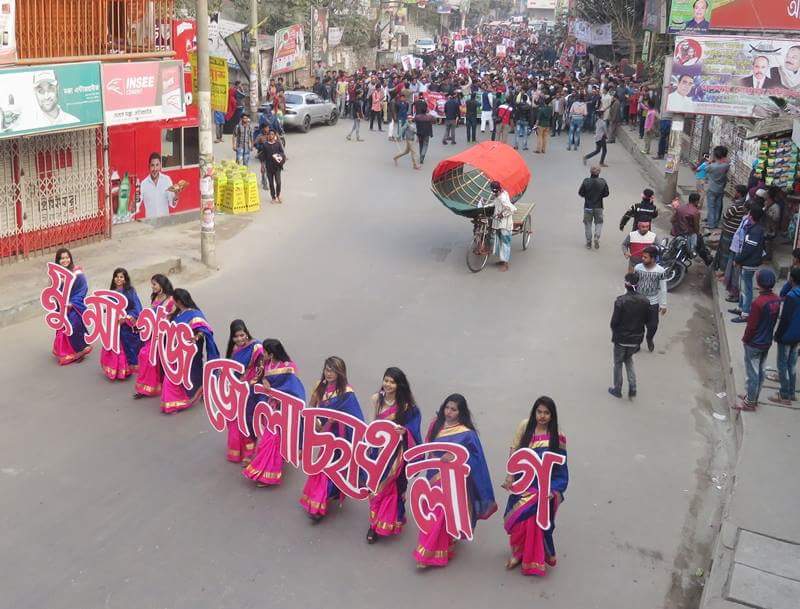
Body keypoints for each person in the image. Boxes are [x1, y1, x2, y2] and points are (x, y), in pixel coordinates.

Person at [414, 394, 496, 569]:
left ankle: (427, 553)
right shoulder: (436, 424)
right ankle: (443, 546)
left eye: (453, 409)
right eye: (447, 407)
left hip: (453, 479)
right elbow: (429, 446)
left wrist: (456, 457)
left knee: (440, 513)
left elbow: (476, 459)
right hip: (434, 475)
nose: (449, 412)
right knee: (433, 511)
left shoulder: (467, 434)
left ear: (461, 412)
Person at [502, 396, 568, 576]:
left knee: (536, 525)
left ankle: (534, 559)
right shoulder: (525, 426)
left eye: (547, 413)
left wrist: (553, 492)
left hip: (543, 488)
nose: (542, 416)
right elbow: (514, 450)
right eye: (539, 412)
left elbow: (561, 469)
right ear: (534, 412)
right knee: (519, 523)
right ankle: (518, 553)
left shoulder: (558, 437)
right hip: (523, 483)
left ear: (552, 416)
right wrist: (510, 476)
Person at [299, 356, 364, 522]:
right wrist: (315, 421)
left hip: (339, 439)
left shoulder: (346, 393)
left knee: (330, 469)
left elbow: (356, 420)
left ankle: (319, 506)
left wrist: (337, 420)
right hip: (323, 436)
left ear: (340, 373)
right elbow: (310, 407)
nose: (329, 373)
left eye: (333, 371)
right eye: (327, 369)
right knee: (321, 467)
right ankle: (323, 496)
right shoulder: (319, 386)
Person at [366, 367, 422, 544]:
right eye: (386, 380)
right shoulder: (376, 399)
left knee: (390, 486)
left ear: (399, 384)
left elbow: (414, 430)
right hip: (377, 451)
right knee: (374, 487)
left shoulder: (406, 406)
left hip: (396, 454)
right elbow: (372, 422)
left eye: (392, 381)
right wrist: (368, 445)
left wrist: (405, 431)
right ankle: (374, 523)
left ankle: (385, 522)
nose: (388, 384)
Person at [242, 339, 306, 486]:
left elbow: (294, 391)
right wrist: (264, 380)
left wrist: (274, 392)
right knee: (268, 439)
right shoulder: (267, 364)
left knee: (271, 440)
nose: (262, 354)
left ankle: (267, 475)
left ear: (271, 354)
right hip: (268, 407)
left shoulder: (288, 368)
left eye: (264, 352)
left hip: (282, 410)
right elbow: (262, 377)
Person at [160, 288, 219, 415]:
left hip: (189, 354)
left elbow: (205, 330)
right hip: (175, 351)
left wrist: (196, 337)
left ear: (179, 301)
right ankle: (173, 402)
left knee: (189, 377)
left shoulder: (195, 314)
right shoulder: (177, 314)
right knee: (171, 376)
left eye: (174, 300)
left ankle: (180, 400)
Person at [735, 269, 780, 411]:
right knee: (760, 372)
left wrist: (745, 339)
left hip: (754, 343)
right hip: (766, 342)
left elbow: (751, 326)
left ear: (759, 283)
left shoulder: (758, 303)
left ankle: (749, 403)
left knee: (752, 374)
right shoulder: (776, 300)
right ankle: (752, 396)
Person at [224, 320, 264, 465]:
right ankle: (236, 450)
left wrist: (248, 385)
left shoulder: (257, 348)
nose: (240, 339)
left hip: (250, 390)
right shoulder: (234, 349)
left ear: (246, 333)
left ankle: (250, 452)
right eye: (236, 337)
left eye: (242, 335)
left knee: (247, 420)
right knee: (234, 419)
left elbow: (260, 370)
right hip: (235, 389)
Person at [133, 274, 175, 399]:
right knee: (144, 355)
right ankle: (145, 386)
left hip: (163, 335)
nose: (152, 287)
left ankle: (150, 387)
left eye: (154, 284)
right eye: (152, 284)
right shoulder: (155, 297)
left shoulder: (170, 300)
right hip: (152, 332)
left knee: (148, 356)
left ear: (161, 284)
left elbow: (172, 317)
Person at [609, 273, 650, 399]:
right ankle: (633, 387)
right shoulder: (645, 301)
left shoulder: (620, 301)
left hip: (621, 339)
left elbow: (614, 322)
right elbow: (647, 320)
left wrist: (615, 333)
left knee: (618, 363)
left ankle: (617, 389)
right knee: (629, 360)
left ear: (626, 284)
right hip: (636, 339)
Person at [99, 268, 143, 381]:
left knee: (125, 348)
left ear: (125, 279)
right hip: (113, 326)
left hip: (125, 325)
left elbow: (137, 308)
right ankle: (114, 370)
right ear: (113, 278)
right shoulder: (111, 292)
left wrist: (126, 318)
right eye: (117, 276)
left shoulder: (130, 291)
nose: (118, 279)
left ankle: (124, 371)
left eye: (121, 277)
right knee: (113, 347)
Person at [51, 248, 92, 365]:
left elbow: (82, 289)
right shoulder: (56, 275)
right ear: (58, 260)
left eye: (67, 257)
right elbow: (54, 291)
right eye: (62, 258)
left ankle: (80, 350)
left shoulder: (77, 273)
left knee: (74, 324)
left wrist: (72, 303)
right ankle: (67, 351)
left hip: (74, 305)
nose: (65, 260)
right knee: (62, 328)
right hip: (61, 306)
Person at [769, 268, 800, 405]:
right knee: (792, 365)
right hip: (797, 336)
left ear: (792, 279)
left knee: (782, 365)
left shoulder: (792, 296)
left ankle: (784, 395)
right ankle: (791, 393)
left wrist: (777, 335)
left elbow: (785, 319)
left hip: (787, 335)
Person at [731, 206, 767, 323]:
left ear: (751, 216)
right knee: (743, 287)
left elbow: (748, 249)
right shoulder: (755, 228)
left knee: (746, 289)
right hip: (747, 262)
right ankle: (740, 308)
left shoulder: (755, 231)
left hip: (749, 263)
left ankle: (745, 313)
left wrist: (738, 259)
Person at [635, 246, 668, 352]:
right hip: (638, 302)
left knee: (653, 325)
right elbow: (633, 284)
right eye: (642, 257)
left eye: (645, 257)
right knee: (638, 326)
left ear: (653, 259)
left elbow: (663, 288)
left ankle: (649, 339)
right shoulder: (638, 268)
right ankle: (637, 344)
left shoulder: (660, 271)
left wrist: (663, 305)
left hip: (653, 303)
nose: (643, 259)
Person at [671, 193, 713, 265]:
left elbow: (672, 220)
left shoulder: (680, 208)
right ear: (696, 201)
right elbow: (696, 227)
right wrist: (698, 234)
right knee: (701, 245)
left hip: (677, 232)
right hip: (688, 234)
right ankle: (707, 260)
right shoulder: (695, 212)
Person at [716, 185, 749, 275]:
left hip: (729, 231)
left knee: (725, 252)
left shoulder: (736, 206)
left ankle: (723, 270)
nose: (735, 193)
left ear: (739, 193)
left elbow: (725, 216)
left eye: (736, 191)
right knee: (730, 252)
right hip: (735, 231)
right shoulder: (744, 204)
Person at [579, 166, 609, 250]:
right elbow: (606, 193)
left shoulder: (586, 181)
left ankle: (588, 243)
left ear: (590, 172)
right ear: (599, 172)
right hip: (599, 206)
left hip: (588, 206)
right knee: (599, 223)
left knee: (587, 224)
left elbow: (581, 193)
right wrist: (599, 196)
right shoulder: (602, 181)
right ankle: (597, 236)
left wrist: (587, 196)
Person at [139, 153, 177, 219]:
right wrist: (133, 204)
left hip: (164, 223)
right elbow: (137, 204)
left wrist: (176, 196)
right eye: (152, 165)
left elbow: (172, 204)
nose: (155, 169)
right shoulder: (143, 184)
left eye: (157, 165)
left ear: (160, 166)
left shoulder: (167, 180)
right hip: (150, 225)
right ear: (149, 166)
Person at [490, 180, 517, 272]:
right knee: (499, 240)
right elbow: (495, 204)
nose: (493, 193)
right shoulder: (498, 195)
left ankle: (505, 263)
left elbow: (512, 209)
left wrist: (503, 214)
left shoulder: (503, 198)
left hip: (505, 223)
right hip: (498, 222)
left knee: (505, 242)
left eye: (495, 192)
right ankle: (502, 259)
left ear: (498, 190)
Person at [705, 146, 730, 230]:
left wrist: (710, 161)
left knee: (711, 206)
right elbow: (727, 161)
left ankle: (711, 224)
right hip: (721, 189)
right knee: (718, 206)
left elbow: (705, 168)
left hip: (712, 188)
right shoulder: (726, 166)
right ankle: (716, 222)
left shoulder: (712, 166)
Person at [259, 130, 286, 203]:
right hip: (269, 167)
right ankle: (273, 197)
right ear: (267, 136)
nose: (271, 136)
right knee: (271, 183)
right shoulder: (265, 145)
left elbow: (282, 153)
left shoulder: (278, 144)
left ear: (274, 136)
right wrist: (262, 166)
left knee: (278, 182)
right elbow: (262, 156)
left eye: (272, 134)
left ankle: (278, 195)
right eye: (269, 134)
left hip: (277, 167)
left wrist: (278, 157)